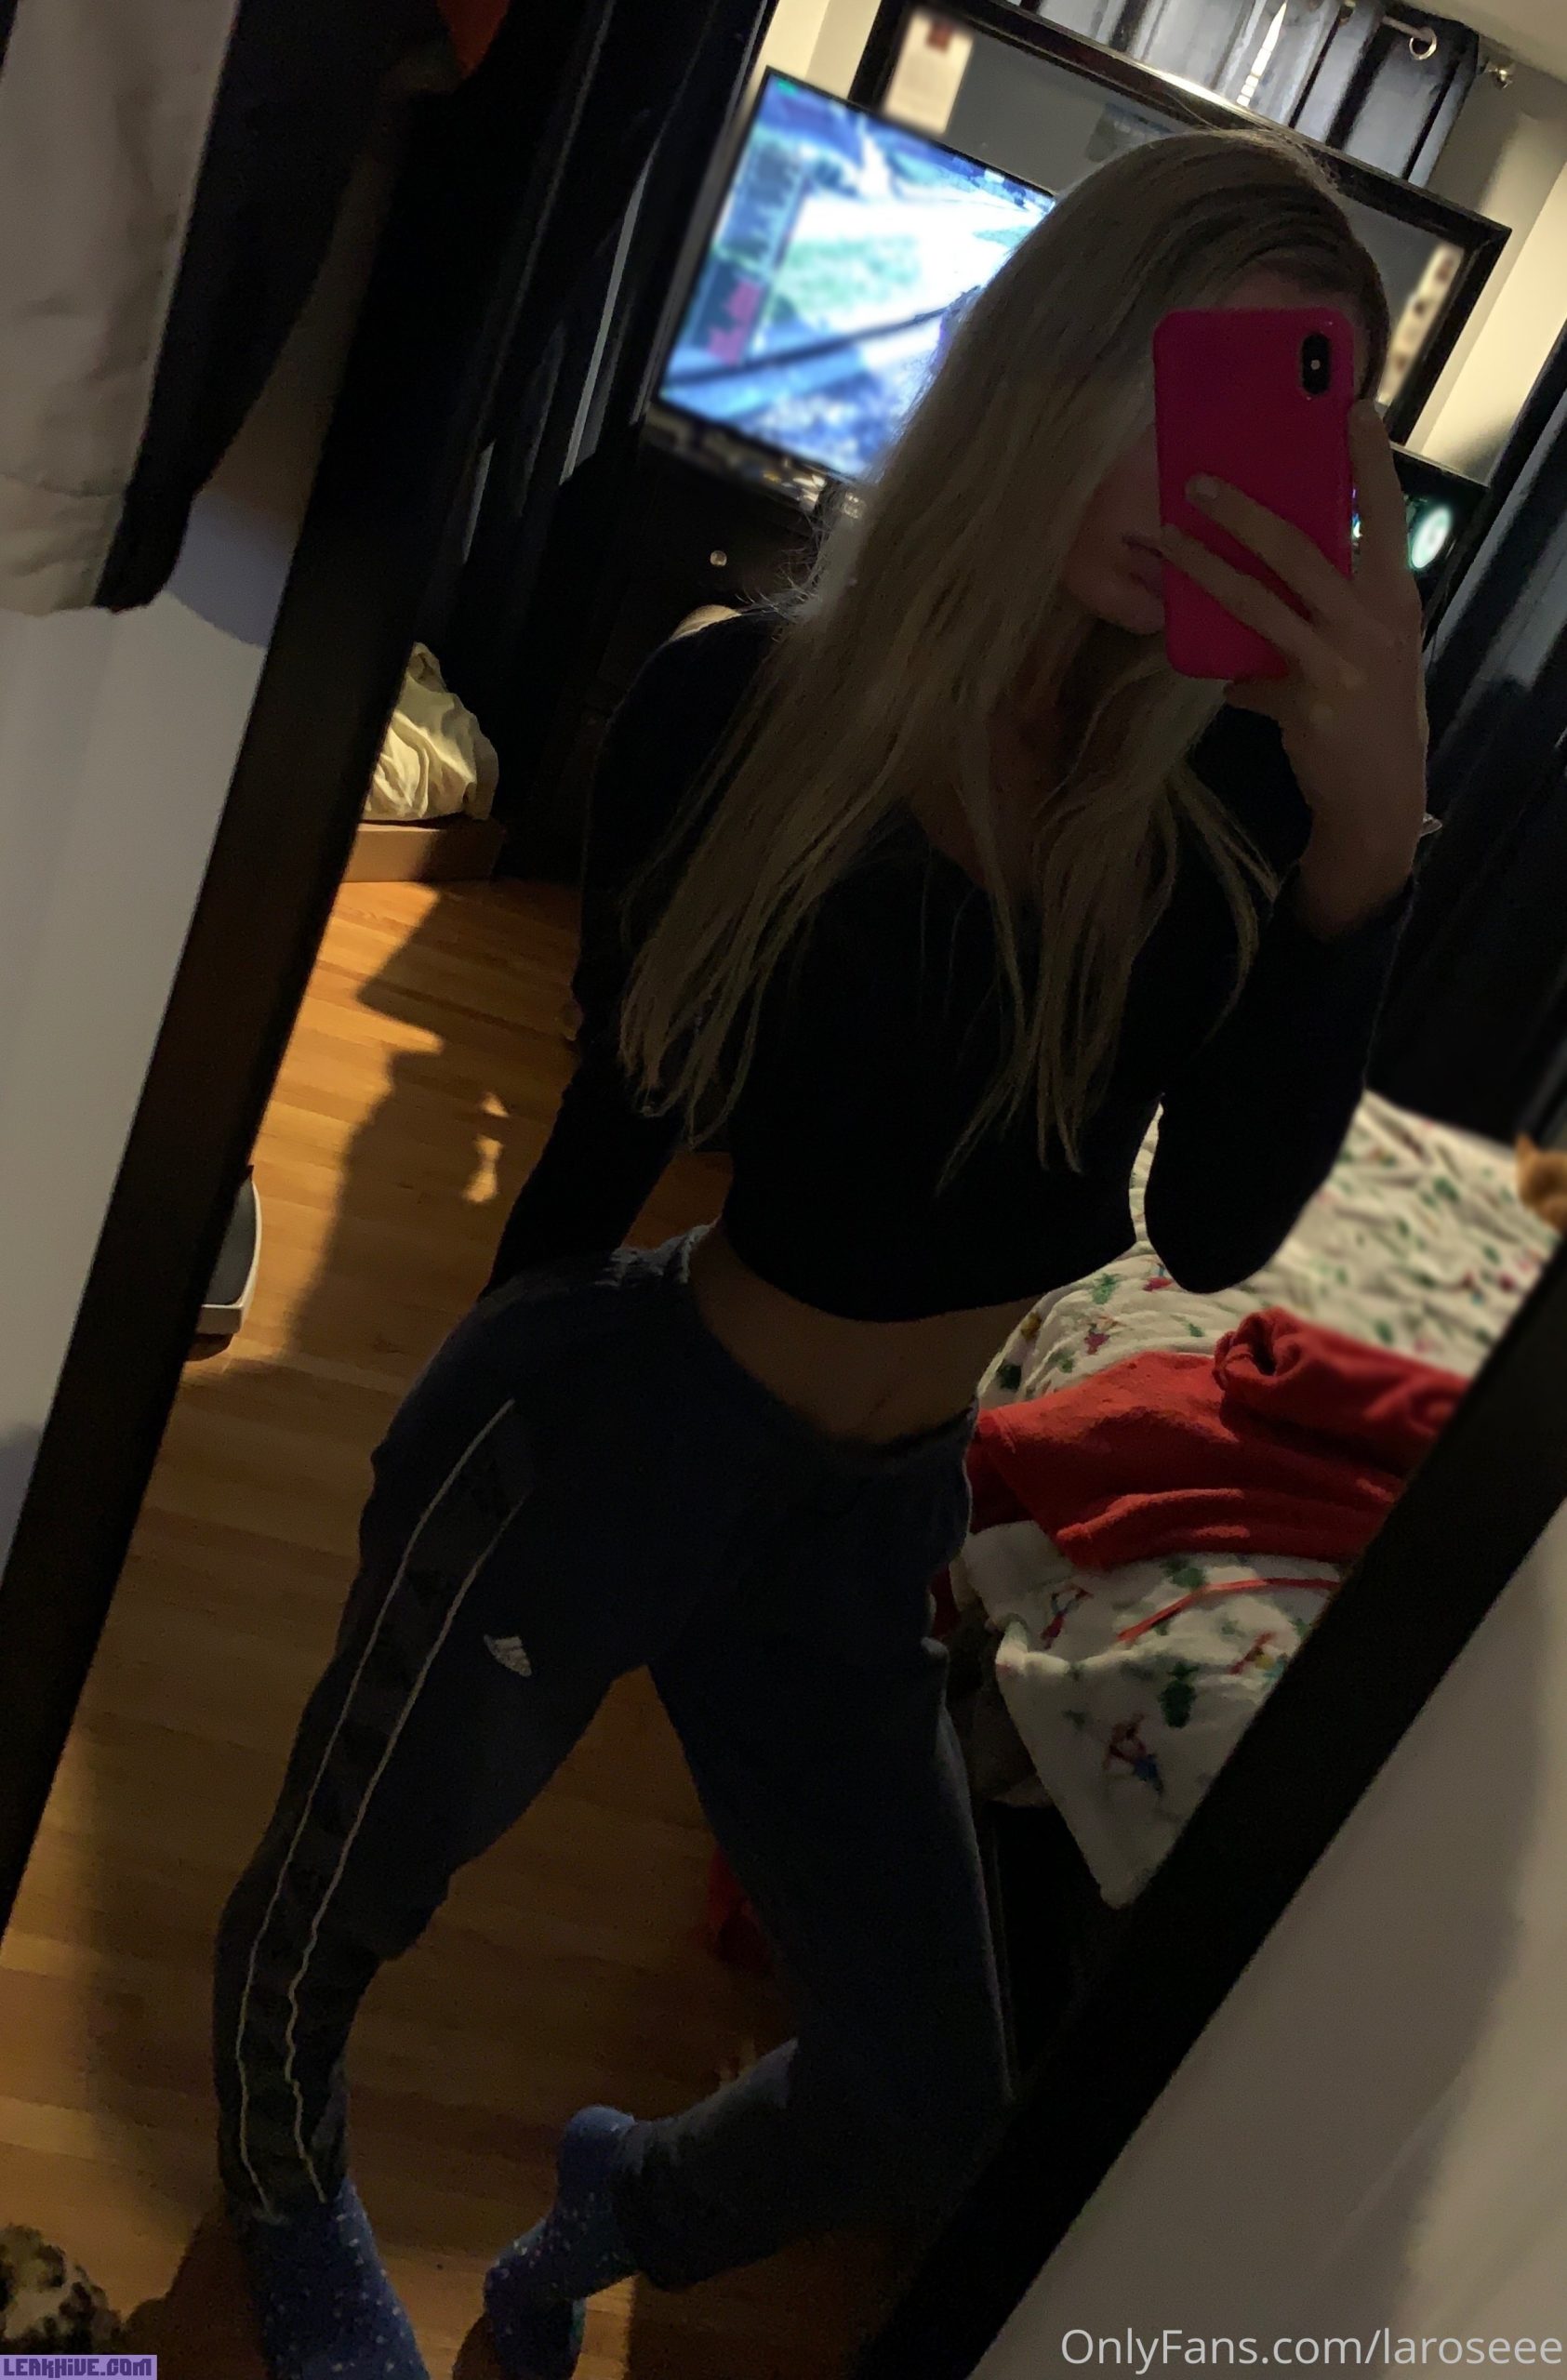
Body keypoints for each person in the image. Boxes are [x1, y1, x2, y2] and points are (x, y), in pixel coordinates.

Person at [212, 125, 1427, 2380]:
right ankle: (286, 2219)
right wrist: (464, 1423)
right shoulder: (740, 705)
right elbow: (616, 1118)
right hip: (619, 1427)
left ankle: (615, 2202)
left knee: (926, 2082)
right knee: (343, 1894)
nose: (1199, 478)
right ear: (1053, 367)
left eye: (1273, 421)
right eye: (1169, 381)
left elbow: (1212, 1227)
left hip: (875, 1516)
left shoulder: (1232, 806)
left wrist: (1366, 855)